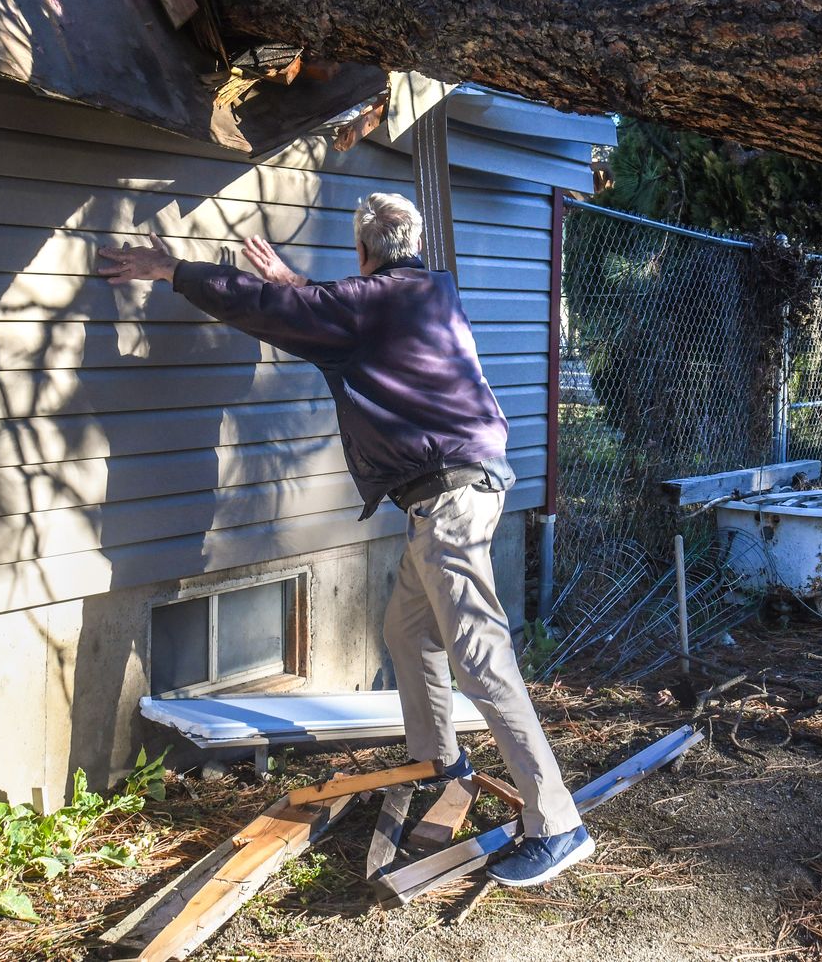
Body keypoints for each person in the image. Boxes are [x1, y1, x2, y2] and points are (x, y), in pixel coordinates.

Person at [98, 192, 593, 887]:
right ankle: (441, 760)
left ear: (362, 253)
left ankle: (558, 821)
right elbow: (344, 306)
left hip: (448, 499)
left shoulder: (366, 304)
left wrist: (173, 268)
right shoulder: (428, 291)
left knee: (479, 658)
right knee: (406, 631)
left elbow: (276, 311)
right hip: (455, 490)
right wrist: (298, 286)